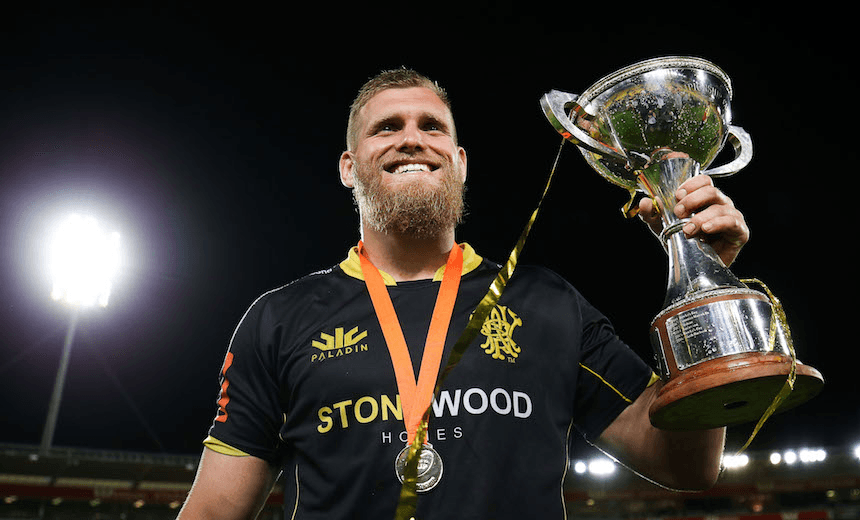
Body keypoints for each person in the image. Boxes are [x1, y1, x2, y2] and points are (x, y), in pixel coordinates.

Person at [177, 68, 749, 519]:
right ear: (349, 168)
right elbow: (212, 512)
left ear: (460, 161)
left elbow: (689, 465)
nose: (411, 140)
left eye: (432, 127)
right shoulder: (279, 320)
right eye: (386, 127)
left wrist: (708, 272)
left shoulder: (545, 302)